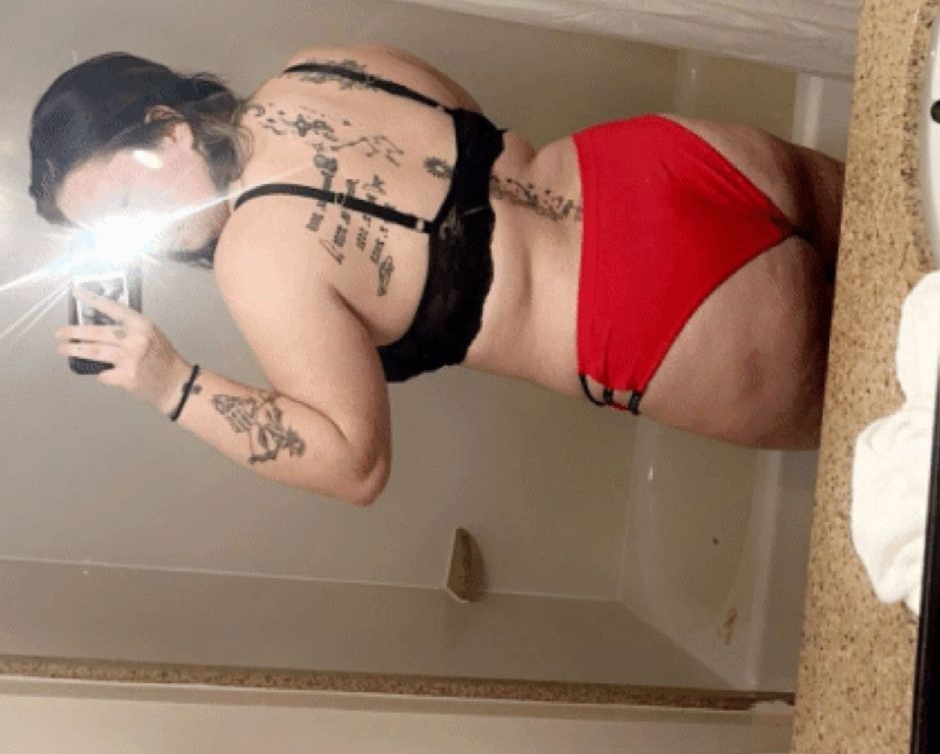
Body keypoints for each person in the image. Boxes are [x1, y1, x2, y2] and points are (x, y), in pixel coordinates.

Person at [30, 43, 843, 505]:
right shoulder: (316, 67)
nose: (147, 235)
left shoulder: (254, 256)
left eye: (128, 202)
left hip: (656, 315)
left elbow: (357, 464)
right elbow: (474, 133)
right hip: (662, 159)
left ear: (168, 129)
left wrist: (169, 383)